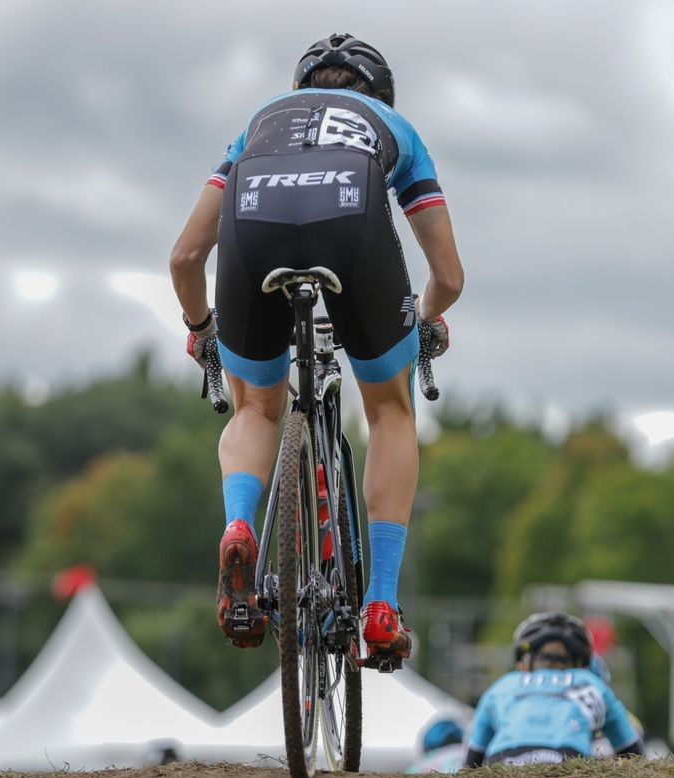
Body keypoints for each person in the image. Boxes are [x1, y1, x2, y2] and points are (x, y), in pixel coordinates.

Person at [169, 34, 464, 657]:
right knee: (389, 409)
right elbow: (449, 277)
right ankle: (381, 604)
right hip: (352, 225)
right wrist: (425, 318)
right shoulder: (392, 125)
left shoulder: (260, 122)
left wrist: (202, 331)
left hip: (253, 229)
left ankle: (241, 526)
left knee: (255, 408)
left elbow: (186, 255)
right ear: (377, 93)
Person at [464, 612, 644, 767]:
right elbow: (633, 754)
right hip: (569, 759)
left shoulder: (502, 685)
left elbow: (471, 760)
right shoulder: (592, 683)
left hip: (503, 760)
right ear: (581, 664)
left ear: (524, 663)